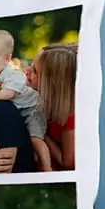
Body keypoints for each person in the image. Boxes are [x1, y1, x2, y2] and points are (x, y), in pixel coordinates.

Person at [0, 30, 51, 172]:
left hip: (33, 110)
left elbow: (9, 93)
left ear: (7, 59)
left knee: (36, 139)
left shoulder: (13, 74)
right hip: (19, 113)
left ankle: (48, 168)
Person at [27, 43, 77, 171]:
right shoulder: (41, 100)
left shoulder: (70, 119)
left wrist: (42, 134)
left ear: (52, 83)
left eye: (35, 71)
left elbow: (67, 163)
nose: (27, 72)